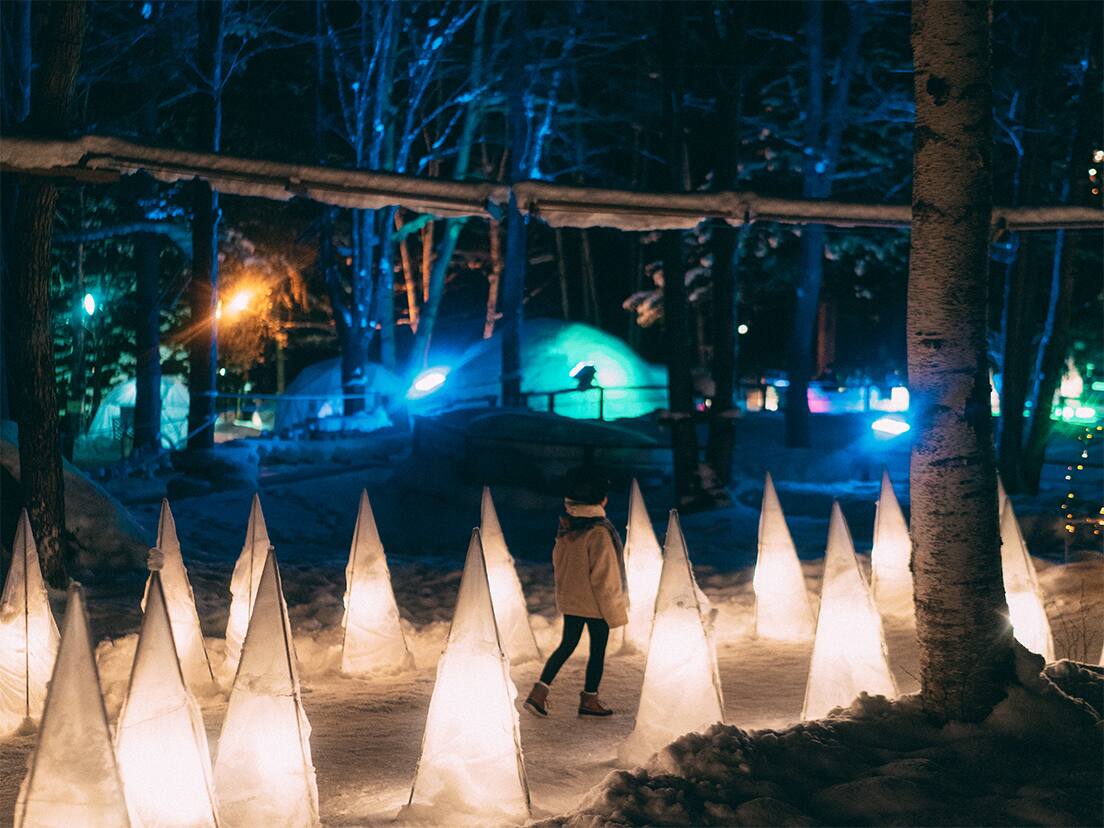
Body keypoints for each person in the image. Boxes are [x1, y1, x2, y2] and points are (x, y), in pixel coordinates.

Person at [524, 466, 628, 718]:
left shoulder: (568, 528)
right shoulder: (599, 532)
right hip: (596, 604)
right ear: (602, 500)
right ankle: (589, 699)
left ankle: (539, 692)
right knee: (597, 651)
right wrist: (614, 611)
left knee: (567, 645)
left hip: (573, 601)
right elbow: (605, 577)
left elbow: (559, 563)